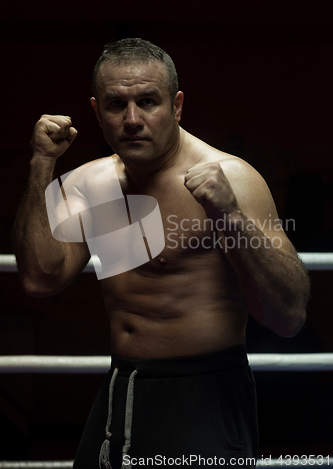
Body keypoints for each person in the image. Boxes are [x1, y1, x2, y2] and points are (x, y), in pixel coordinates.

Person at [13, 38, 309, 468]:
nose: (132, 120)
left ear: (176, 106)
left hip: (206, 392)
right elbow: (40, 279)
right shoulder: (88, 184)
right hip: (123, 386)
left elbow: (289, 316)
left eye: (148, 101)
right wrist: (42, 164)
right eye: (116, 105)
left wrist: (230, 217)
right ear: (97, 111)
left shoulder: (232, 178)